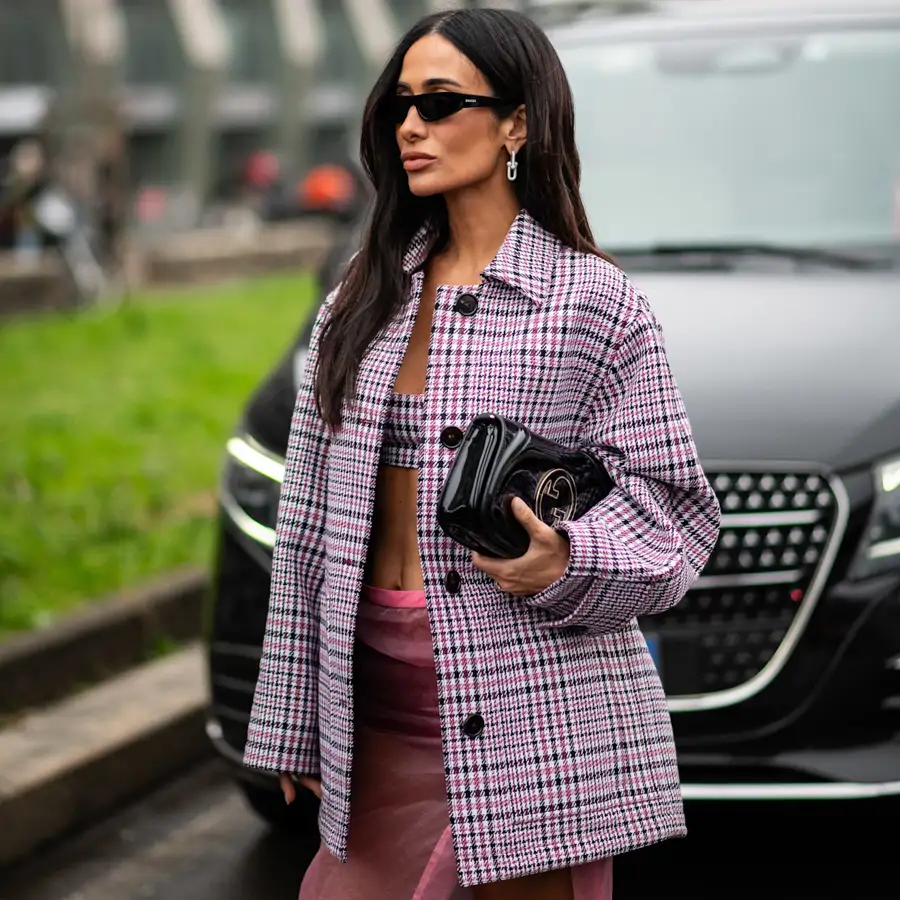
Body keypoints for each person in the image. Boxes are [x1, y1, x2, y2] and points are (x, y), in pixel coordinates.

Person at [244, 8, 721, 899]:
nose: (412, 127)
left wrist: (567, 559)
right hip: (371, 713)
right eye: (400, 106)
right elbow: (306, 519)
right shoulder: (362, 295)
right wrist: (288, 720)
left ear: (517, 122)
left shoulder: (593, 304)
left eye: (441, 102)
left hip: (530, 715)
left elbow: (674, 514)